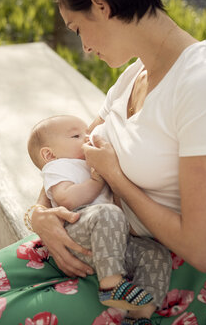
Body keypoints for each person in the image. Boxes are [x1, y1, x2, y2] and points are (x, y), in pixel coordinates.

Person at [0, 0, 206, 324]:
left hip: (162, 277)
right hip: (104, 246)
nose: (84, 46)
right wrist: (42, 214)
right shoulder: (134, 75)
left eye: (78, 28)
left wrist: (115, 176)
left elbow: (203, 249)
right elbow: (76, 156)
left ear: (101, 5)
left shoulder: (204, 85)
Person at [27, 114, 171, 323]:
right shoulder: (57, 167)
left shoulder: (87, 162)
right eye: (76, 136)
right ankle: (111, 284)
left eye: (87, 132)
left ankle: (140, 316)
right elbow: (67, 199)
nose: (87, 137)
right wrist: (97, 180)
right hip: (78, 233)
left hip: (111, 243)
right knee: (109, 213)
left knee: (155, 253)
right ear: (49, 154)